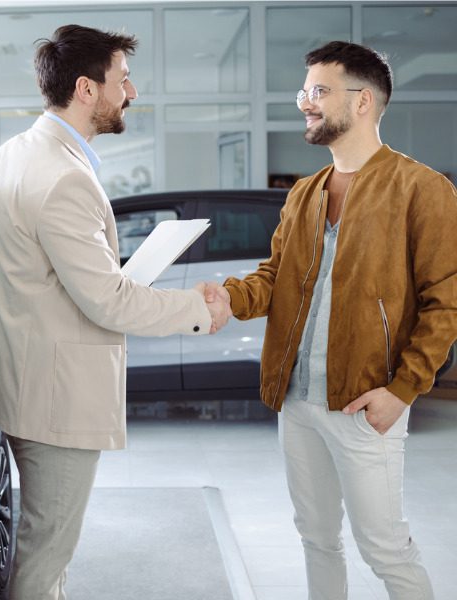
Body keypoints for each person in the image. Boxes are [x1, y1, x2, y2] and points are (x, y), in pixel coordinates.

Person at [0, 24, 231, 600]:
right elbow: (106, 299)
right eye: (123, 80)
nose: (131, 93)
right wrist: (196, 310)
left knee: (41, 544)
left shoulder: (6, 158)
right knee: (44, 556)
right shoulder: (63, 177)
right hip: (56, 399)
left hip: (19, 383)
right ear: (87, 89)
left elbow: (26, 277)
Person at [207, 41, 457, 599]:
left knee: (385, 548)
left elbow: (446, 301)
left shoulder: (422, 189)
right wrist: (229, 297)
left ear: (363, 101)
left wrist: (403, 390)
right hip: (297, 402)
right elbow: (275, 278)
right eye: (305, 91)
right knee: (316, 537)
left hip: (365, 402)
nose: (306, 103)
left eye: (319, 91)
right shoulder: (304, 192)